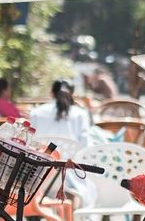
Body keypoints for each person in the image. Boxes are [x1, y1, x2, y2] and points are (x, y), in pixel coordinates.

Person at [30, 80, 100, 213]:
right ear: (72, 94)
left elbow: (32, 143)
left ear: (52, 93)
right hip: (70, 177)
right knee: (93, 180)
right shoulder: (80, 114)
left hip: (41, 176)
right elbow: (86, 146)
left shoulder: (36, 112)